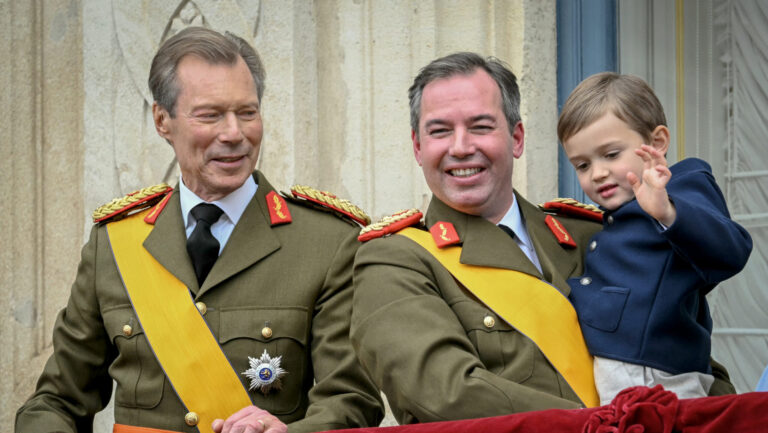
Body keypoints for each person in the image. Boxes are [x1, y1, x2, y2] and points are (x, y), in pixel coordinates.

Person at [15, 27, 383, 433]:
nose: (234, 134)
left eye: (247, 112)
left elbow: (352, 402)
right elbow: (56, 401)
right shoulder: (115, 243)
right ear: (162, 120)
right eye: (210, 115)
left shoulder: (326, 242)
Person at [350, 52, 736, 425]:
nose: (461, 147)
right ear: (418, 147)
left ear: (517, 138)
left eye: (481, 126)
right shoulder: (393, 260)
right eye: (440, 131)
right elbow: (447, 393)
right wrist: (605, 424)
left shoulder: (593, 233)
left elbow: (686, 350)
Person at [557, 72, 752, 405]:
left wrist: (668, 211)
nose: (597, 173)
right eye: (582, 165)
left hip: (654, 374)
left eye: (611, 154)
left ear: (657, 142)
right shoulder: (610, 215)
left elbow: (731, 251)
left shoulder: (682, 187)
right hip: (623, 369)